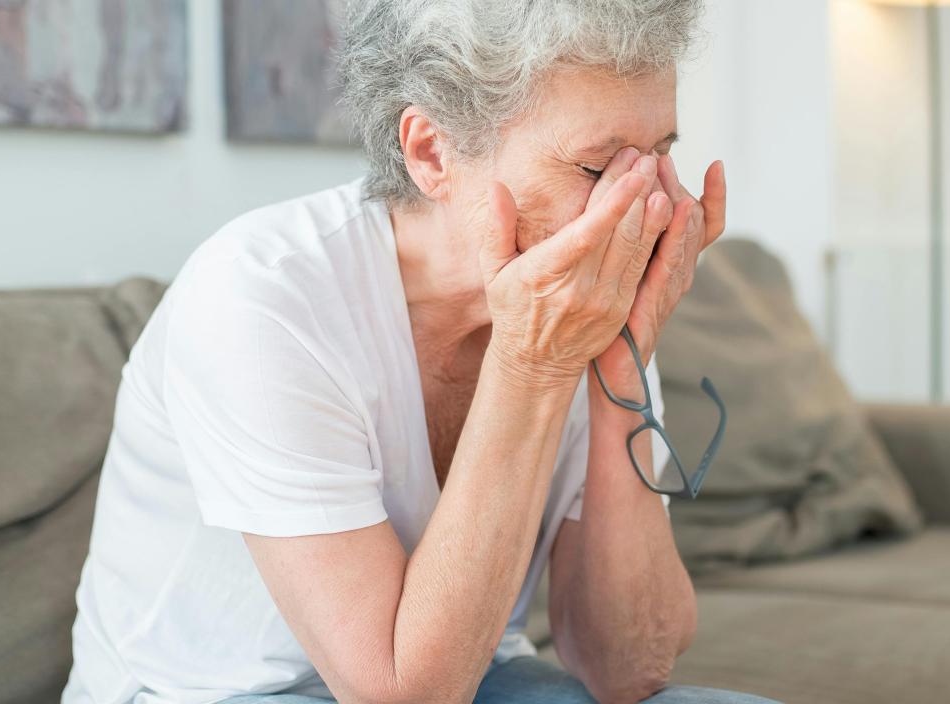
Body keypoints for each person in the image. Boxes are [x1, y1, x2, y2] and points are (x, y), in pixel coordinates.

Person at [62, 1, 778, 702]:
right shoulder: (263, 296)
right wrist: (533, 365)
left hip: (474, 669)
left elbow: (627, 670)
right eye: (597, 171)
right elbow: (403, 694)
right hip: (211, 691)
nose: (653, 207)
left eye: (660, 155)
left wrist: (620, 360)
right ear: (432, 154)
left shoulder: (581, 299)